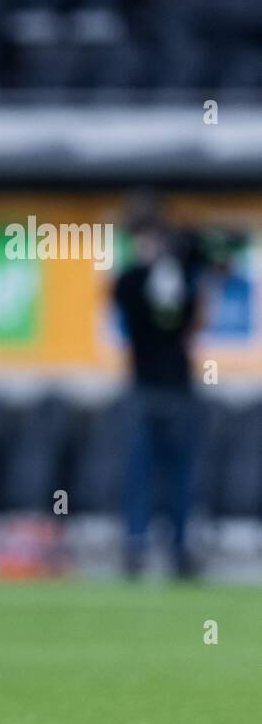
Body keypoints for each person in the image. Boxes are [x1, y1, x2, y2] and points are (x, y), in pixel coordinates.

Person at [113, 213, 205, 579]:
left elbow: (190, 325)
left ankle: (180, 549)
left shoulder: (180, 277)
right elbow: (133, 310)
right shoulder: (131, 280)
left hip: (178, 389)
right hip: (143, 388)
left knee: (180, 473)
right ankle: (136, 545)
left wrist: (182, 275)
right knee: (139, 472)